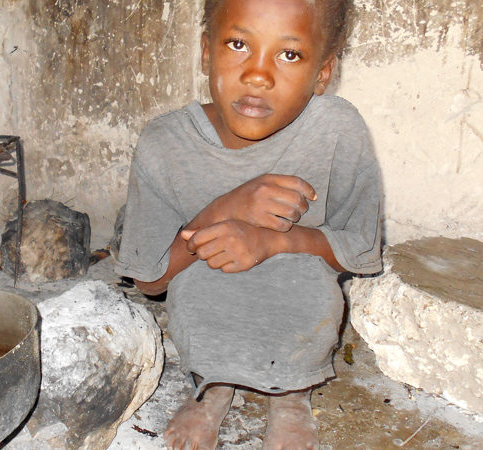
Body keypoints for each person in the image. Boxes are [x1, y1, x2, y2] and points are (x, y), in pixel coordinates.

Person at [115, 0, 383, 448]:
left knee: (310, 288)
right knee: (199, 286)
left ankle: (293, 394)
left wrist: (274, 242)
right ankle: (214, 388)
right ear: (206, 52)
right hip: (208, 294)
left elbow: (359, 249)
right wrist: (226, 208)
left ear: (323, 72)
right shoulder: (164, 143)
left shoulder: (338, 130)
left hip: (298, 298)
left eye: (289, 54)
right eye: (238, 44)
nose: (258, 74)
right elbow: (152, 280)